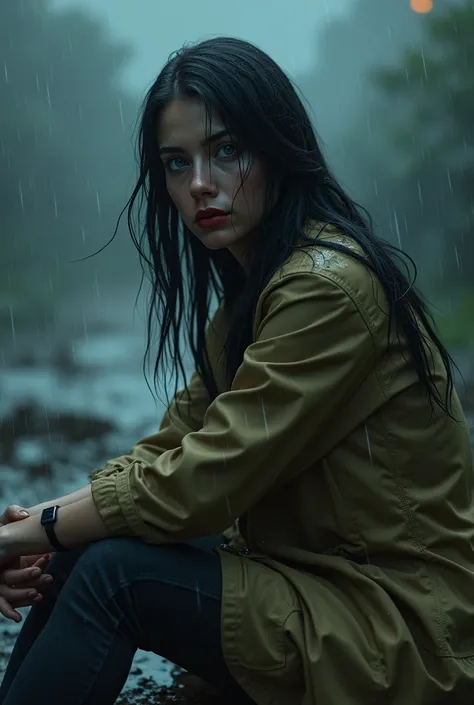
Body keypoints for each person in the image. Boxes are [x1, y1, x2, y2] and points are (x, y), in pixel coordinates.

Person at [0, 36, 473, 705]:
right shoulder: (251, 305)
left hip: (403, 630)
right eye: (176, 162)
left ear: (278, 149)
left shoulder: (326, 288)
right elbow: (168, 454)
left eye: (226, 150)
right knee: (83, 554)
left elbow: (201, 483)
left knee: (115, 573)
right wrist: (41, 527)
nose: (199, 184)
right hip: (321, 595)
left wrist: (27, 531)